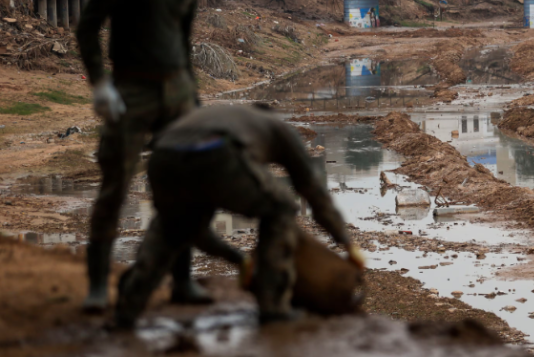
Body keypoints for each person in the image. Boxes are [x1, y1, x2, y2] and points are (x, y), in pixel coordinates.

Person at [75, 0, 221, 313]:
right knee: (115, 186)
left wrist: (192, 99)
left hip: (178, 93)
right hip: (132, 90)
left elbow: (184, 44)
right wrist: (99, 83)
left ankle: (182, 283)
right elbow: (88, 25)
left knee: (183, 189)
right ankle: (98, 288)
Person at [114, 105, 366, 328]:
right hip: (218, 152)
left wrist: (238, 258)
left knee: (171, 225)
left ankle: (128, 307)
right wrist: (346, 242)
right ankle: (273, 307)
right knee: (282, 207)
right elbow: (313, 192)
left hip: (162, 156)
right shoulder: (280, 129)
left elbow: (196, 232)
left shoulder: (232, 116)